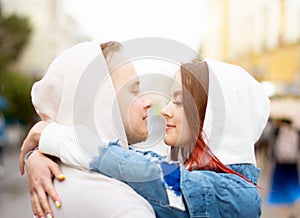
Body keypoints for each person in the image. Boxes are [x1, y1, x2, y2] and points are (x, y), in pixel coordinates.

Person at [21, 39, 269, 217]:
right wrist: (38, 155)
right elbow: (136, 161)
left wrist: (54, 135)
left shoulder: (239, 197)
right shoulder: (189, 174)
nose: (164, 110)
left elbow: (142, 171)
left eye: (179, 102)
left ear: (215, 118)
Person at [20, 40, 156, 218]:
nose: (148, 102)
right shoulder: (123, 205)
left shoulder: (57, 178)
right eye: (134, 90)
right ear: (102, 102)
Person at [268, 118, 300, 217]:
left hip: (280, 161)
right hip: (292, 161)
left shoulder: (277, 131)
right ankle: (291, 202)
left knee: (280, 184)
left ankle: (283, 210)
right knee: (291, 183)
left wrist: (271, 159)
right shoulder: (296, 132)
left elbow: (273, 146)